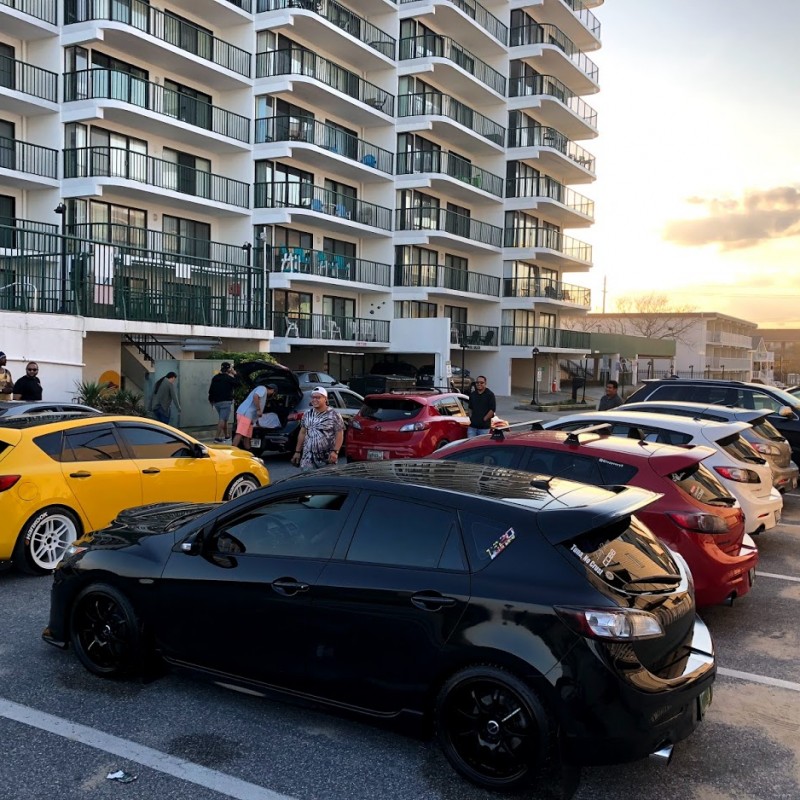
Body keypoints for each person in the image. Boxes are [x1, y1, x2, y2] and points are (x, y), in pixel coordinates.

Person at [291, 386, 344, 470]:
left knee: (326, 478)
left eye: (318, 397)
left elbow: (339, 434)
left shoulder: (334, 414)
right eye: (313, 397)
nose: (314, 400)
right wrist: (297, 451)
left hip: (327, 458)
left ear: (325, 399)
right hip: (307, 459)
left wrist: (335, 451)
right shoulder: (307, 414)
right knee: (307, 478)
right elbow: (302, 432)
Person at [208, 362, 239, 442]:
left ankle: (226, 436)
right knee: (222, 419)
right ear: (229, 369)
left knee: (225, 419)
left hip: (216, 402)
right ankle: (217, 438)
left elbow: (211, 390)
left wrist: (211, 400)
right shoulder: (228, 378)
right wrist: (235, 374)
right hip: (226, 401)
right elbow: (238, 383)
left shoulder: (215, 377)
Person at [232, 383, 268, 451]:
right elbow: (255, 396)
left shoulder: (261, 389)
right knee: (240, 433)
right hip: (245, 414)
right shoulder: (263, 388)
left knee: (247, 436)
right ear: (273, 390)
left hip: (249, 417)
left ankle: (249, 453)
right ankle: (232, 451)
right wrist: (258, 410)